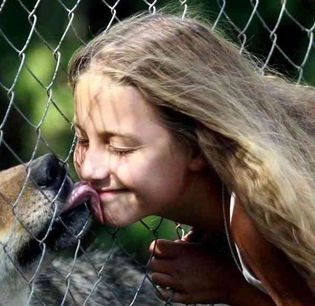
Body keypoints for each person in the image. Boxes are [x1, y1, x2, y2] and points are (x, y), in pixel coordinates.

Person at [68, 11, 315, 305]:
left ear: (196, 145)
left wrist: (230, 287)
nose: (91, 169)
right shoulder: (227, 208)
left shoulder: (256, 217)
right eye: (83, 140)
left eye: (120, 148)